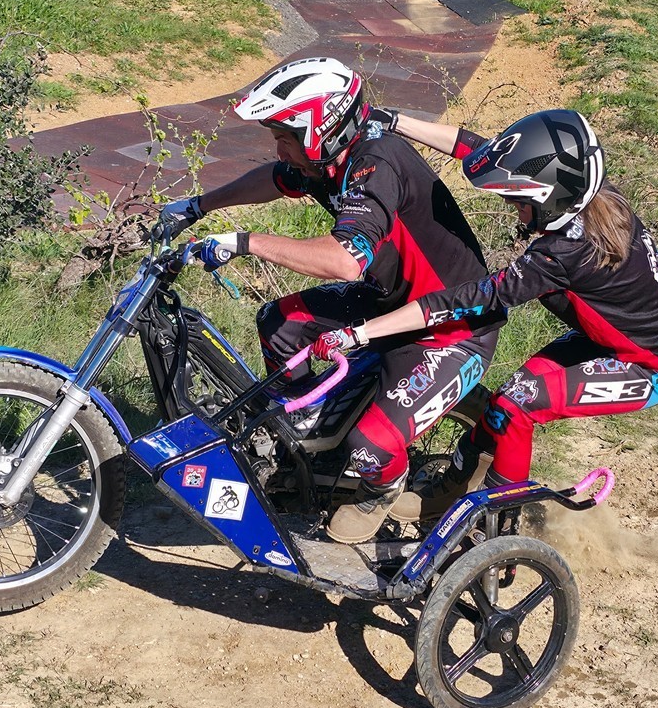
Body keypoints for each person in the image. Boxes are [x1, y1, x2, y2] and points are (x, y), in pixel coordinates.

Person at [155, 57, 504, 543]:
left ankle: (383, 487)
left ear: (322, 126)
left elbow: (345, 260)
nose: (279, 148)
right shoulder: (328, 158)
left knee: (370, 447)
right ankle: (301, 441)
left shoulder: (375, 165)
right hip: (389, 301)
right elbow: (274, 179)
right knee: (280, 323)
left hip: (452, 327)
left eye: (286, 136)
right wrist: (197, 206)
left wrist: (246, 242)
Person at [308, 108, 658, 531]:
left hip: (655, 364)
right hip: (630, 337)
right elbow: (479, 150)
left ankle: (498, 526)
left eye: (519, 203)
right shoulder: (593, 194)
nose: (515, 211)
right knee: (504, 401)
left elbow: (463, 301)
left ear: (549, 200)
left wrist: (360, 333)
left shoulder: (559, 257)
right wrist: (392, 119)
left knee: (518, 405)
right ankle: (456, 485)